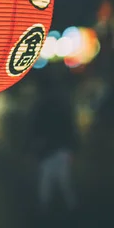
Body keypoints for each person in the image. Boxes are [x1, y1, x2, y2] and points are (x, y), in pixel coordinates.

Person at [26, 74, 78, 214]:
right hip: (61, 147)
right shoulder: (62, 104)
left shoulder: (40, 106)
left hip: (47, 148)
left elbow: (34, 128)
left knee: (47, 180)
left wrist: (32, 146)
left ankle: (46, 207)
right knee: (63, 179)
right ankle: (70, 206)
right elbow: (70, 127)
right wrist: (73, 147)